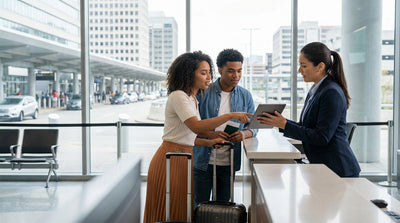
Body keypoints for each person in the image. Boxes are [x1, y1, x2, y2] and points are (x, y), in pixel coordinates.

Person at [143, 51, 252, 223]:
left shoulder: (191, 98)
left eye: (209, 72)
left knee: (181, 210)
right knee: (168, 210)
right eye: (203, 73)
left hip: (184, 156)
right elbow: (196, 126)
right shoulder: (179, 96)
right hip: (171, 157)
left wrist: (210, 141)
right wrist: (229, 116)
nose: (209, 77)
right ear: (188, 74)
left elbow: (188, 136)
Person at [257, 42, 361, 177]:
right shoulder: (315, 90)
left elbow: (321, 137)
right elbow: (306, 127)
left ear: (320, 67)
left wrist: (285, 125)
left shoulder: (331, 93)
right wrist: (281, 122)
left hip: (337, 169)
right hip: (324, 167)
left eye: (304, 65)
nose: (300, 70)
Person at [192, 49, 258, 207]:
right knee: (199, 206)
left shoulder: (245, 95)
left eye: (239, 71)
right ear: (220, 70)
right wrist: (211, 136)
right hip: (203, 160)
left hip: (229, 161)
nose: (236, 76)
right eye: (231, 71)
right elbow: (193, 126)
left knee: (223, 206)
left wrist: (244, 134)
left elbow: (254, 127)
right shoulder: (203, 93)